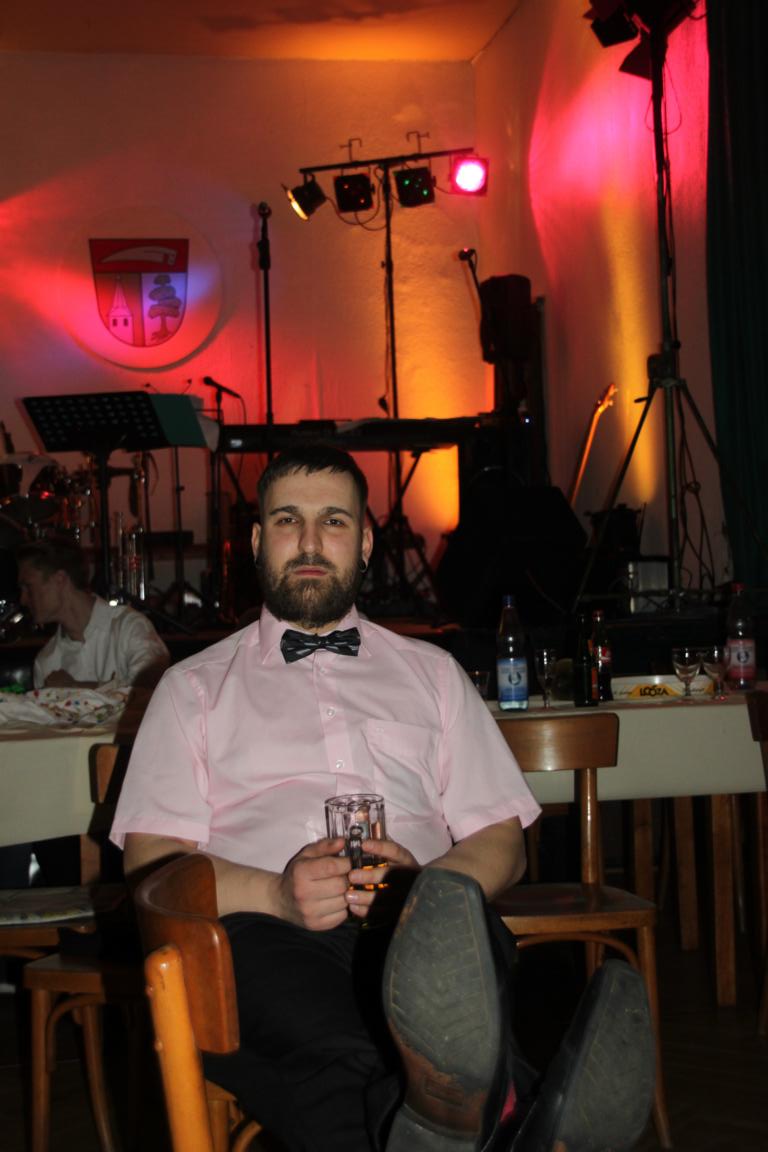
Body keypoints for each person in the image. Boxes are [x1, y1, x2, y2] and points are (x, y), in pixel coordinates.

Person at [111, 445, 655, 1152]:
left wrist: (424, 894)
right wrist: (276, 894)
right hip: (259, 933)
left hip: (426, 934)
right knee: (358, 1047)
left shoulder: (434, 675)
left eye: (334, 521)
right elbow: (152, 862)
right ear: (257, 541)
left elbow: (502, 839)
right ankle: (519, 1120)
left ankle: (470, 1114)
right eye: (288, 520)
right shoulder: (191, 690)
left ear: (365, 543)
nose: (310, 543)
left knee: (404, 1008)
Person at [16, 537, 169, 690]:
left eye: (28, 586)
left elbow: (151, 692)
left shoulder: (129, 627)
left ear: (60, 580)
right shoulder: (46, 662)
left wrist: (74, 687)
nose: (23, 599)